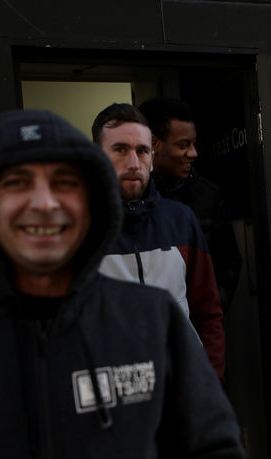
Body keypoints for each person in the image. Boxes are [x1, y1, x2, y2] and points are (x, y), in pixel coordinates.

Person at [0, 109, 245, 459]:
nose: (45, 203)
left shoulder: (153, 321)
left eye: (65, 183)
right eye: (16, 182)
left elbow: (213, 457)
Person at [93, 103, 226, 381]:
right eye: (120, 150)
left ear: (152, 156)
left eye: (141, 151)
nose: (133, 163)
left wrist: (210, 384)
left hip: (182, 387)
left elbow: (207, 313)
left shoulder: (180, 219)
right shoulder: (75, 229)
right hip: (114, 399)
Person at [138, 97, 242, 311]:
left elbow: (228, 261)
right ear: (153, 144)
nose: (193, 153)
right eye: (183, 145)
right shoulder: (126, 196)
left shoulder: (207, 194)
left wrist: (208, 311)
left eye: (193, 143)